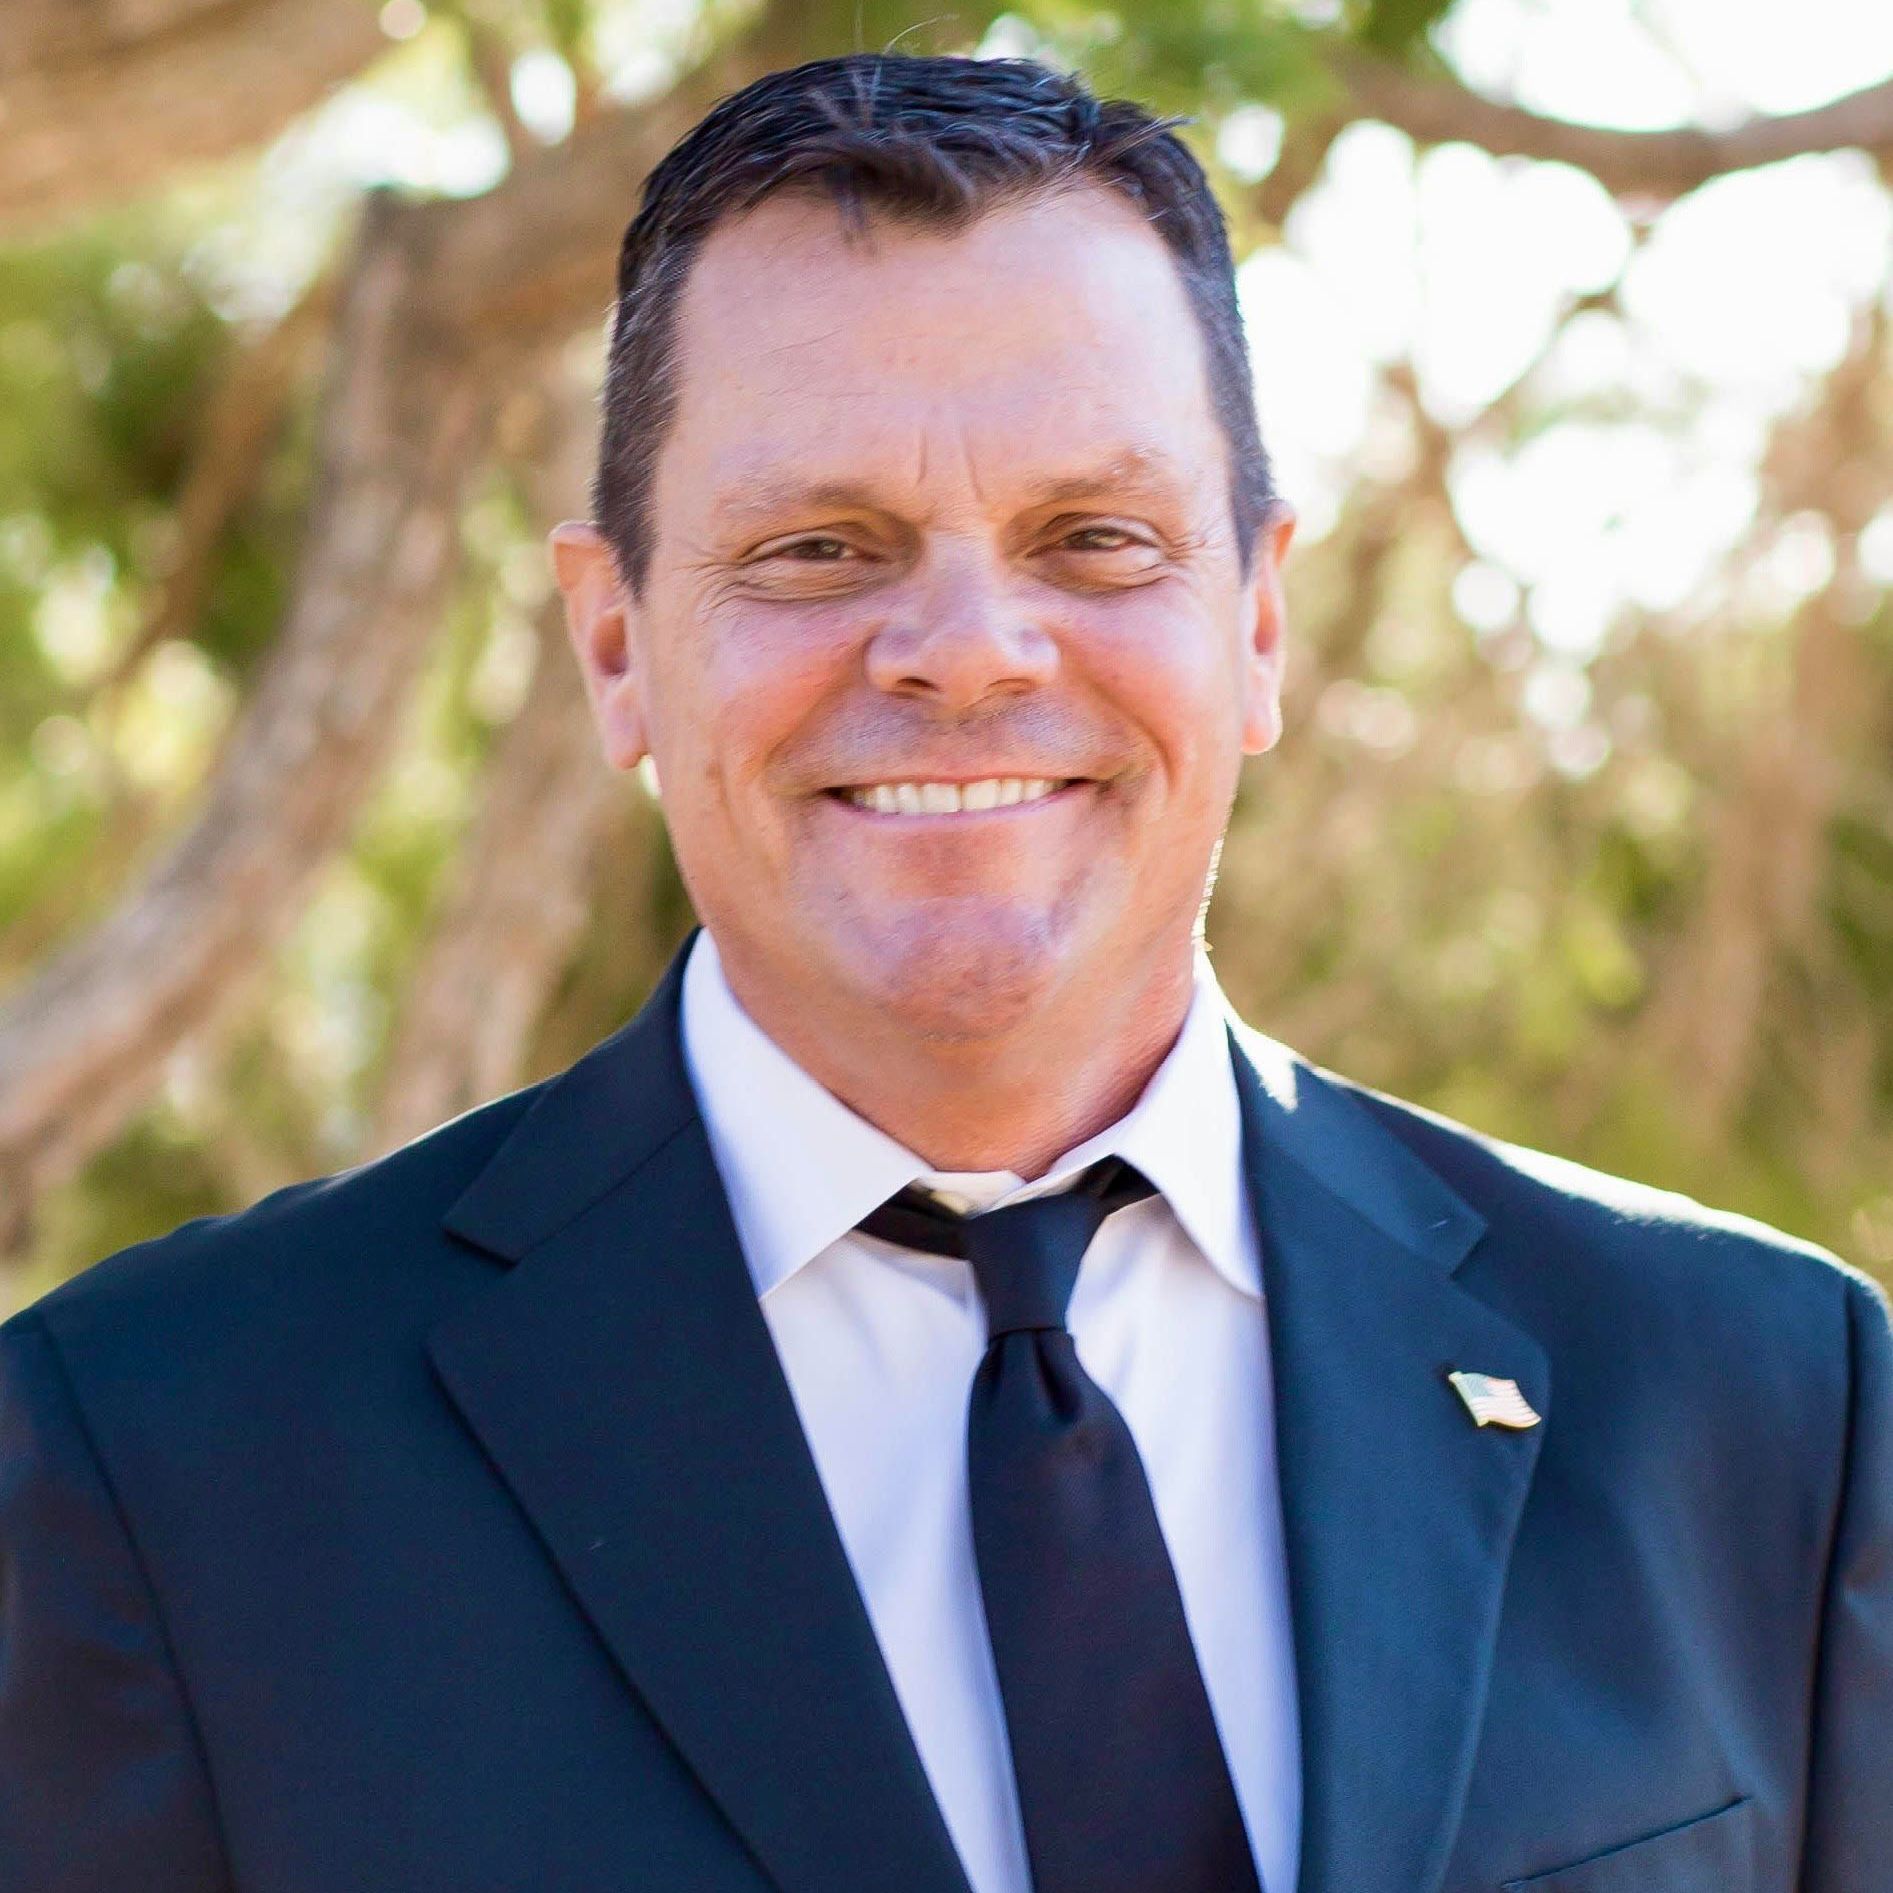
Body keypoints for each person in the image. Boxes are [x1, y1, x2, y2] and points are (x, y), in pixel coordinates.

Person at [1, 49, 1887, 1893]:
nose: (970, 650)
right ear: (612, 645)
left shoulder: (1763, 1400)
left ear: (1254, 617)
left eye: (1095, 536)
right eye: (819, 546)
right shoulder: (154, 1459)